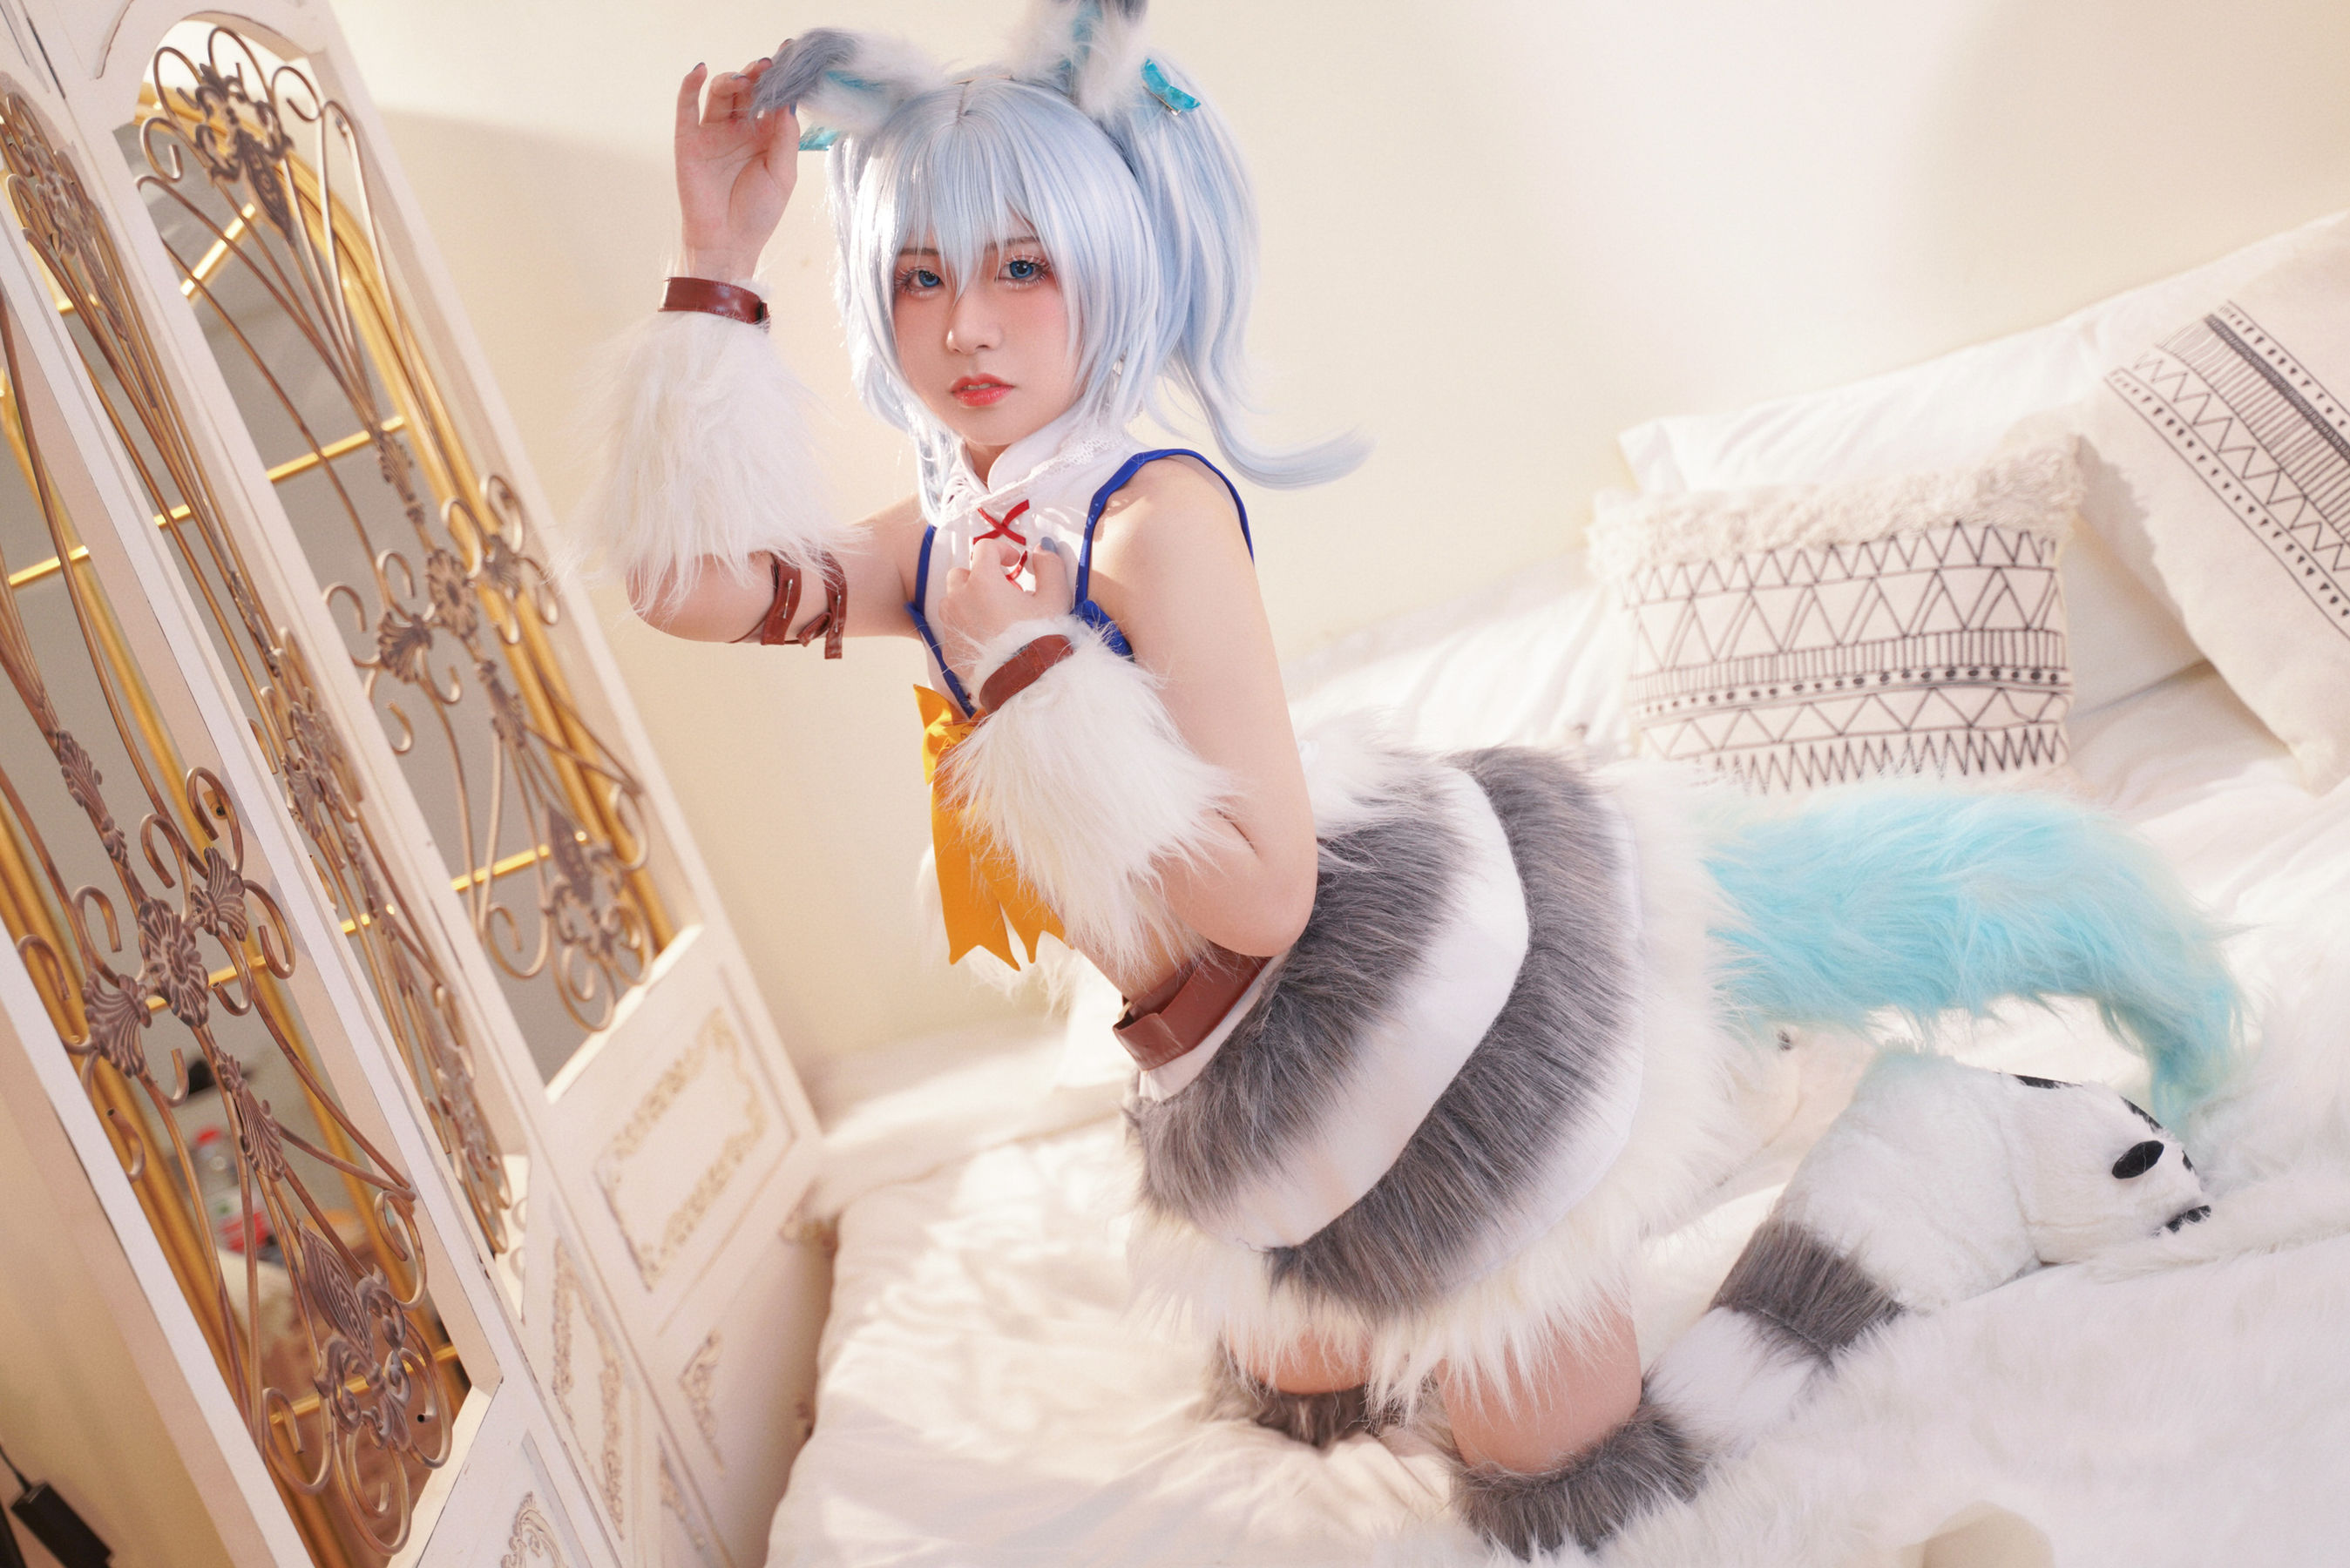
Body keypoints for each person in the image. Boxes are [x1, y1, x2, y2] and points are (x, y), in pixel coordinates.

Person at [575, 3, 2239, 1555]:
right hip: (1225, 1066)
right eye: (919, 275)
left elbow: (1260, 893)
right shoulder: (949, 543)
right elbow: (682, 585)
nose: (966, 324)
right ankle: (1745, 1071)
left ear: (1107, 262)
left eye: (1022, 265)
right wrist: (715, 256)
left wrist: (1024, 675)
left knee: (1562, 1491)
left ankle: (1927, 1155)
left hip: (1429, 1023)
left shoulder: (1154, 521)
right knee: (1298, 1392)